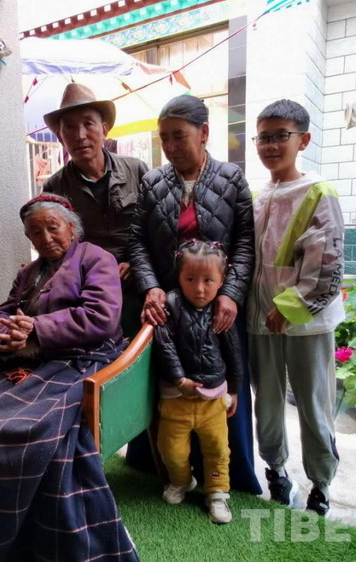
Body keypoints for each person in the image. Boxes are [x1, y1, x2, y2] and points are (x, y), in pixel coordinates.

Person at [0, 193, 138, 562]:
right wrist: (5, 334)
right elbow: (2, 312)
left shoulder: (97, 259)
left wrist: (36, 328)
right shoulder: (29, 273)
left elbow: (101, 317)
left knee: (34, 430)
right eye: (36, 232)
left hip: (81, 360)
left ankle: (40, 533)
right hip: (27, 360)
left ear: (72, 228)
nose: (46, 237)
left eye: (53, 227)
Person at [127, 94, 262, 496]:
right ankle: (165, 469)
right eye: (164, 137)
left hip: (217, 304)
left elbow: (245, 243)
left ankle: (226, 478)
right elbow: (137, 243)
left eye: (179, 136)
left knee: (222, 381)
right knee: (169, 385)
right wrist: (151, 287)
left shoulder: (231, 178)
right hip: (169, 307)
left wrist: (231, 293)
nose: (170, 146)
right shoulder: (152, 182)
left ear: (203, 133)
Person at [247, 99, 344, 517]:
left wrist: (289, 308)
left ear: (303, 140)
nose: (270, 145)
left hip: (307, 324)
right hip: (259, 320)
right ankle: (276, 470)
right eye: (263, 137)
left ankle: (321, 484)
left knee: (314, 404)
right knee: (266, 404)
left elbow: (328, 264)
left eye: (280, 136)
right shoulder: (257, 195)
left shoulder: (319, 191)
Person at [154, 240, 241, 524]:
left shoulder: (222, 310)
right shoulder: (170, 304)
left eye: (208, 280)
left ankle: (217, 493)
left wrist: (235, 390)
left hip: (213, 399)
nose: (199, 288)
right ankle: (182, 481)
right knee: (171, 450)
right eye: (190, 279)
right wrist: (179, 379)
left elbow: (234, 353)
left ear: (221, 281)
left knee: (218, 449)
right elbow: (164, 344)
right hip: (175, 399)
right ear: (179, 276)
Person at [42, 82, 148, 291]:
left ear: (104, 130)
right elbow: (56, 247)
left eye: (88, 123)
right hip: (88, 285)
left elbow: (154, 228)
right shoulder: (54, 187)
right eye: (69, 127)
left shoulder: (136, 170)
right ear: (60, 137)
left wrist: (135, 262)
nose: (80, 135)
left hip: (139, 278)